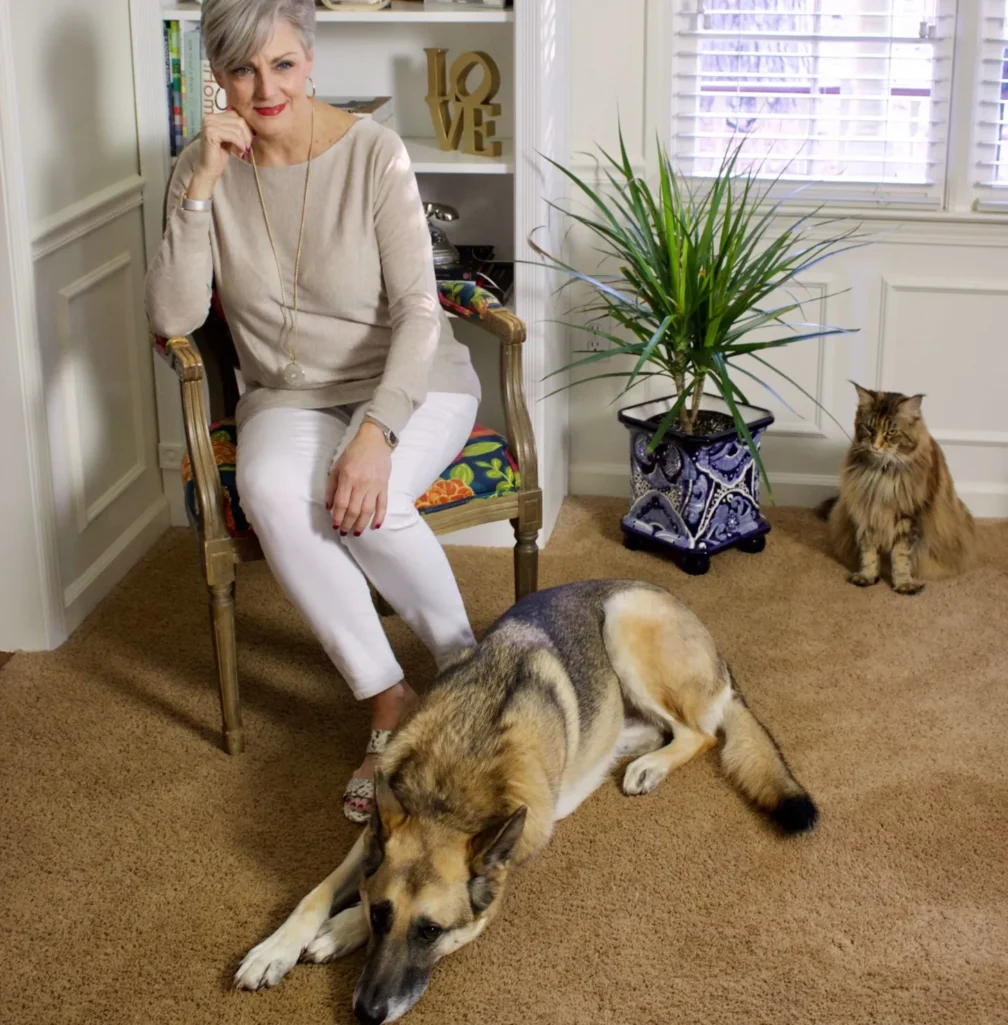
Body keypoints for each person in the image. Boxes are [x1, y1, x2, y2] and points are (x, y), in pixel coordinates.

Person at [145, 0, 483, 822]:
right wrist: (200, 193)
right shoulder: (202, 166)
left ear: (310, 63)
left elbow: (418, 311)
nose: (265, 88)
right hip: (288, 393)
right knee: (268, 489)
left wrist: (376, 433)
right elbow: (174, 318)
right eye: (242, 69)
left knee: (370, 499)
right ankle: (388, 698)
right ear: (216, 79)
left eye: (283, 65)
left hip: (410, 381)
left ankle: (470, 672)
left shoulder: (374, 153)